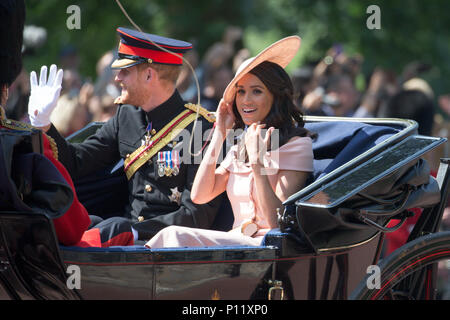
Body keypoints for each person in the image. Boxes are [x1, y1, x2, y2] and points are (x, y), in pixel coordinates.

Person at [28, 27, 222, 241]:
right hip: (125, 240)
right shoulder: (127, 116)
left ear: (149, 75)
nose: (117, 78)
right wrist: (44, 125)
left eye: (125, 71)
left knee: (110, 229)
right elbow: (77, 162)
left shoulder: (201, 129)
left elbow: (196, 216)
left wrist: (136, 230)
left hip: (166, 248)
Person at [146, 36, 314, 248]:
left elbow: (275, 223)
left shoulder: (297, 145)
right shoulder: (239, 144)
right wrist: (219, 134)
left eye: (257, 91)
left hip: (265, 247)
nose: (246, 100)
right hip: (234, 244)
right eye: (241, 91)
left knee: (174, 236)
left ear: (275, 96)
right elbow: (200, 195)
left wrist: (257, 163)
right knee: (170, 236)